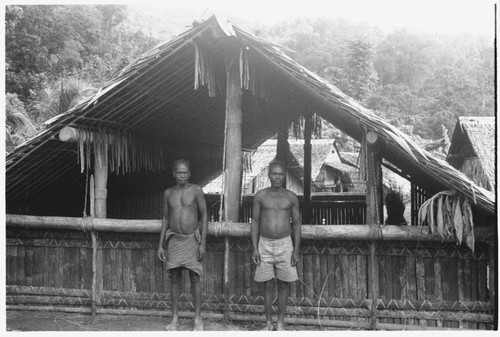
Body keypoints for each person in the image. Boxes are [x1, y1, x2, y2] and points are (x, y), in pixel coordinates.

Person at [157, 159, 208, 331]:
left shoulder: (196, 190)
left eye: (185, 172)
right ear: (174, 173)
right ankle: (175, 318)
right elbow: (165, 217)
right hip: (174, 240)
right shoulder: (168, 193)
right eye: (179, 172)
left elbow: (204, 215)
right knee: (175, 279)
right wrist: (160, 244)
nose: (182, 175)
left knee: (195, 277)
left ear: (190, 173)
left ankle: (198, 319)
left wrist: (202, 244)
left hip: (192, 239)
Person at [251, 160, 301, 331]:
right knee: (267, 284)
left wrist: (296, 250)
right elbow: (255, 222)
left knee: (283, 284)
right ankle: (268, 322)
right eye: (274, 173)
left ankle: (280, 323)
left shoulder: (291, 197)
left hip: (285, 244)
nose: (277, 177)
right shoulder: (261, 196)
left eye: (280, 174)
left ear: (284, 175)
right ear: (269, 175)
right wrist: (254, 248)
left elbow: (296, 225)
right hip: (264, 244)